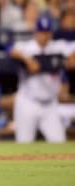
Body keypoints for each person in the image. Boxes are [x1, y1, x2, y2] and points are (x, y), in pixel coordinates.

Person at [9, 14, 75, 143]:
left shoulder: (58, 47)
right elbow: (10, 49)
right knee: (24, 144)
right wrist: (27, 60)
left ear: (51, 33)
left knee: (59, 143)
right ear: (36, 33)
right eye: (41, 32)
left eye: (47, 32)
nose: (44, 36)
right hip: (28, 103)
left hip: (50, 105)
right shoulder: (28, 47)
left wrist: (71, 58)